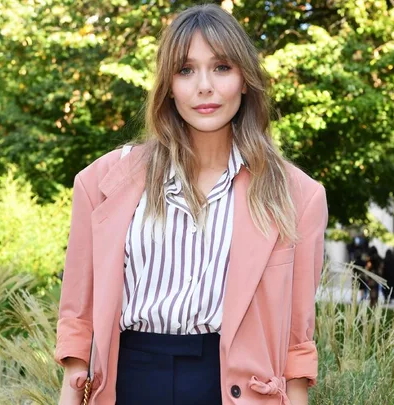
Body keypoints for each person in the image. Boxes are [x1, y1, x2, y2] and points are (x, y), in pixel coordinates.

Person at [55, 4, 328, 405]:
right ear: (167, 85)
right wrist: (71, 388)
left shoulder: (297, 195)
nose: (204, 86)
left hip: (230, 389)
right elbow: (77, 318)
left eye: (221, 67)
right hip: (127, 382)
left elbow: (296, 346)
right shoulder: (102, 181)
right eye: (185, 70)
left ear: (245, 80)